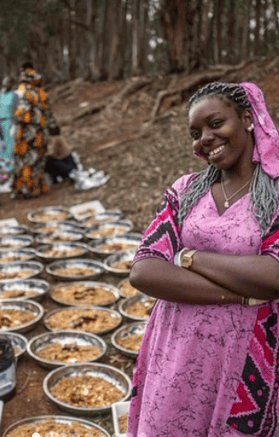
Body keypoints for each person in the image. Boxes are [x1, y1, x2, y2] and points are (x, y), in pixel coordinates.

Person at [128, 82, 279, 437]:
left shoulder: (274, 195)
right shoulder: (186, 191)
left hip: (244, 357)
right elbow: (145, 269)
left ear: (247, 118)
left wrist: (187, 256)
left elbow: (275, 276)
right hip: (176, 349)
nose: (205, 139)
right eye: (195, 133)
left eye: (215, 123)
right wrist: (241, 293)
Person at [11, 62, 57, 199]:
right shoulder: (42, 94)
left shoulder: (21, 94)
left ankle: (22, 189)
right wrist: (52, 127)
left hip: (24, 133)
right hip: (39, 133)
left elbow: (17, 114)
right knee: (37, 160)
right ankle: (35, 188)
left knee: (23, 161)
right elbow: (49, 115)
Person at [0, 76, 19, 169]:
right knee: (0, 145)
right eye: (5, 82)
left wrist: (15, 124)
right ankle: (2, 166)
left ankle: (10, 167)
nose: (6, 84)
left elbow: (17, 109)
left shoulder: (14, 95)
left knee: (9, 145)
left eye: (8, 82)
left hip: (9, 121)